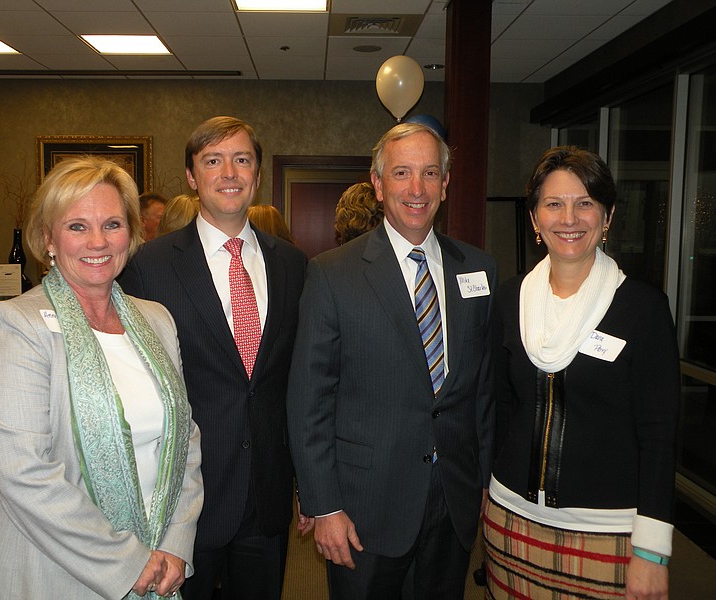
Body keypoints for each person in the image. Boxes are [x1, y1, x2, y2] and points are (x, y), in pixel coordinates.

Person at [0, 156, 203, 599]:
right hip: (47, 570)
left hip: (158, 561)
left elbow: (185, 438)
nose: (98, 241)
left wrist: (175, 543)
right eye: (77, 227)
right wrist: (128, 562)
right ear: (48, 239)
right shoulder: (16, 325)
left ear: (132, 234)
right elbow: (26, 474)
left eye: (112, 224)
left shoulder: (158, 321)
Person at [287, 122, 498, 600]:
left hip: (453, 502)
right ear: (379, 184)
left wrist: (484, 483)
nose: (416, 188)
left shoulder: (479, 270)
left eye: (429, 173)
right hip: (365, 510)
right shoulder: (331, 274)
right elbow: (309, 403)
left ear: (446, 183)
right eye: (402, 173)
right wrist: (323, 506)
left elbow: (483, 389)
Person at [120, 116, 309, 600]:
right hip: (184, 502)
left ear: (257, 175)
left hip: (266, 496)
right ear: (191, 176)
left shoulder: (292, 264)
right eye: (213, 161)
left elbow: (300, 383)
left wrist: (310, 485)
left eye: (241, 160)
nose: (229, 172)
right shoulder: (149, 267)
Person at [484, 146, 680, 600]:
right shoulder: (509, 299)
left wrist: (652, 553)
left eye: (585, 203)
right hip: (510, 520)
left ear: (606, 216)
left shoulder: (643, 309)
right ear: (534, 219)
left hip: (607, 533)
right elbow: (500, 405)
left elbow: (659, 436)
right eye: (553, 204)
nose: (568, 217)